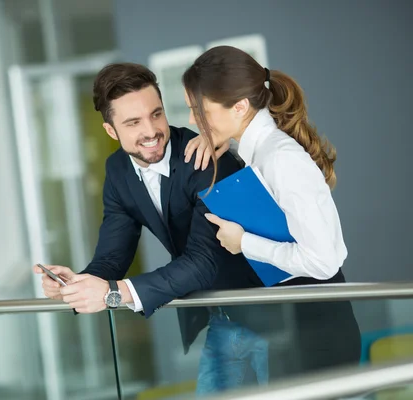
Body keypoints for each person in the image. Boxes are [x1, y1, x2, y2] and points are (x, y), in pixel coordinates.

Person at [33, 62, 268, 394]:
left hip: (278, 312)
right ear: (111, 131)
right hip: (224, 319)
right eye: (133, 122)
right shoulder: (118, 170)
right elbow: (112, 256)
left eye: (156, 114)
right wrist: (80, 283)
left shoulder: (205, 158)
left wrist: (113, 293)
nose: (152, 130)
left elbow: (204, 261)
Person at [182, 45, 361, 378]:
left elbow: (323, 261)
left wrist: (244, 242)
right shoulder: (260, 150)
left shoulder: (280, 157)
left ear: (239, 107)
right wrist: (223, 139)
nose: (192, 120)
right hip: (294, 324)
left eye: (199, 110)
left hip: (319, 330)